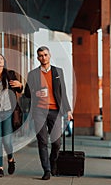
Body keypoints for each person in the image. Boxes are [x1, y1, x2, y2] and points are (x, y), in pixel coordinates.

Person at [24, 46, 73, 180]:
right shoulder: (33, 74)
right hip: (39, 111)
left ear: (49, 55)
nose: (43, 58)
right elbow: (26, 93)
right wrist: (35, 93)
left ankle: (53, 162)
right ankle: (46, 169)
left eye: (45, 55)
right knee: (43, 141)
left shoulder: (58, 72)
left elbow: (63, 92)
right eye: (40, 55)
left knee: (57, 142)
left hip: (55, 111)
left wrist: (68, 110)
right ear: (37, 57)